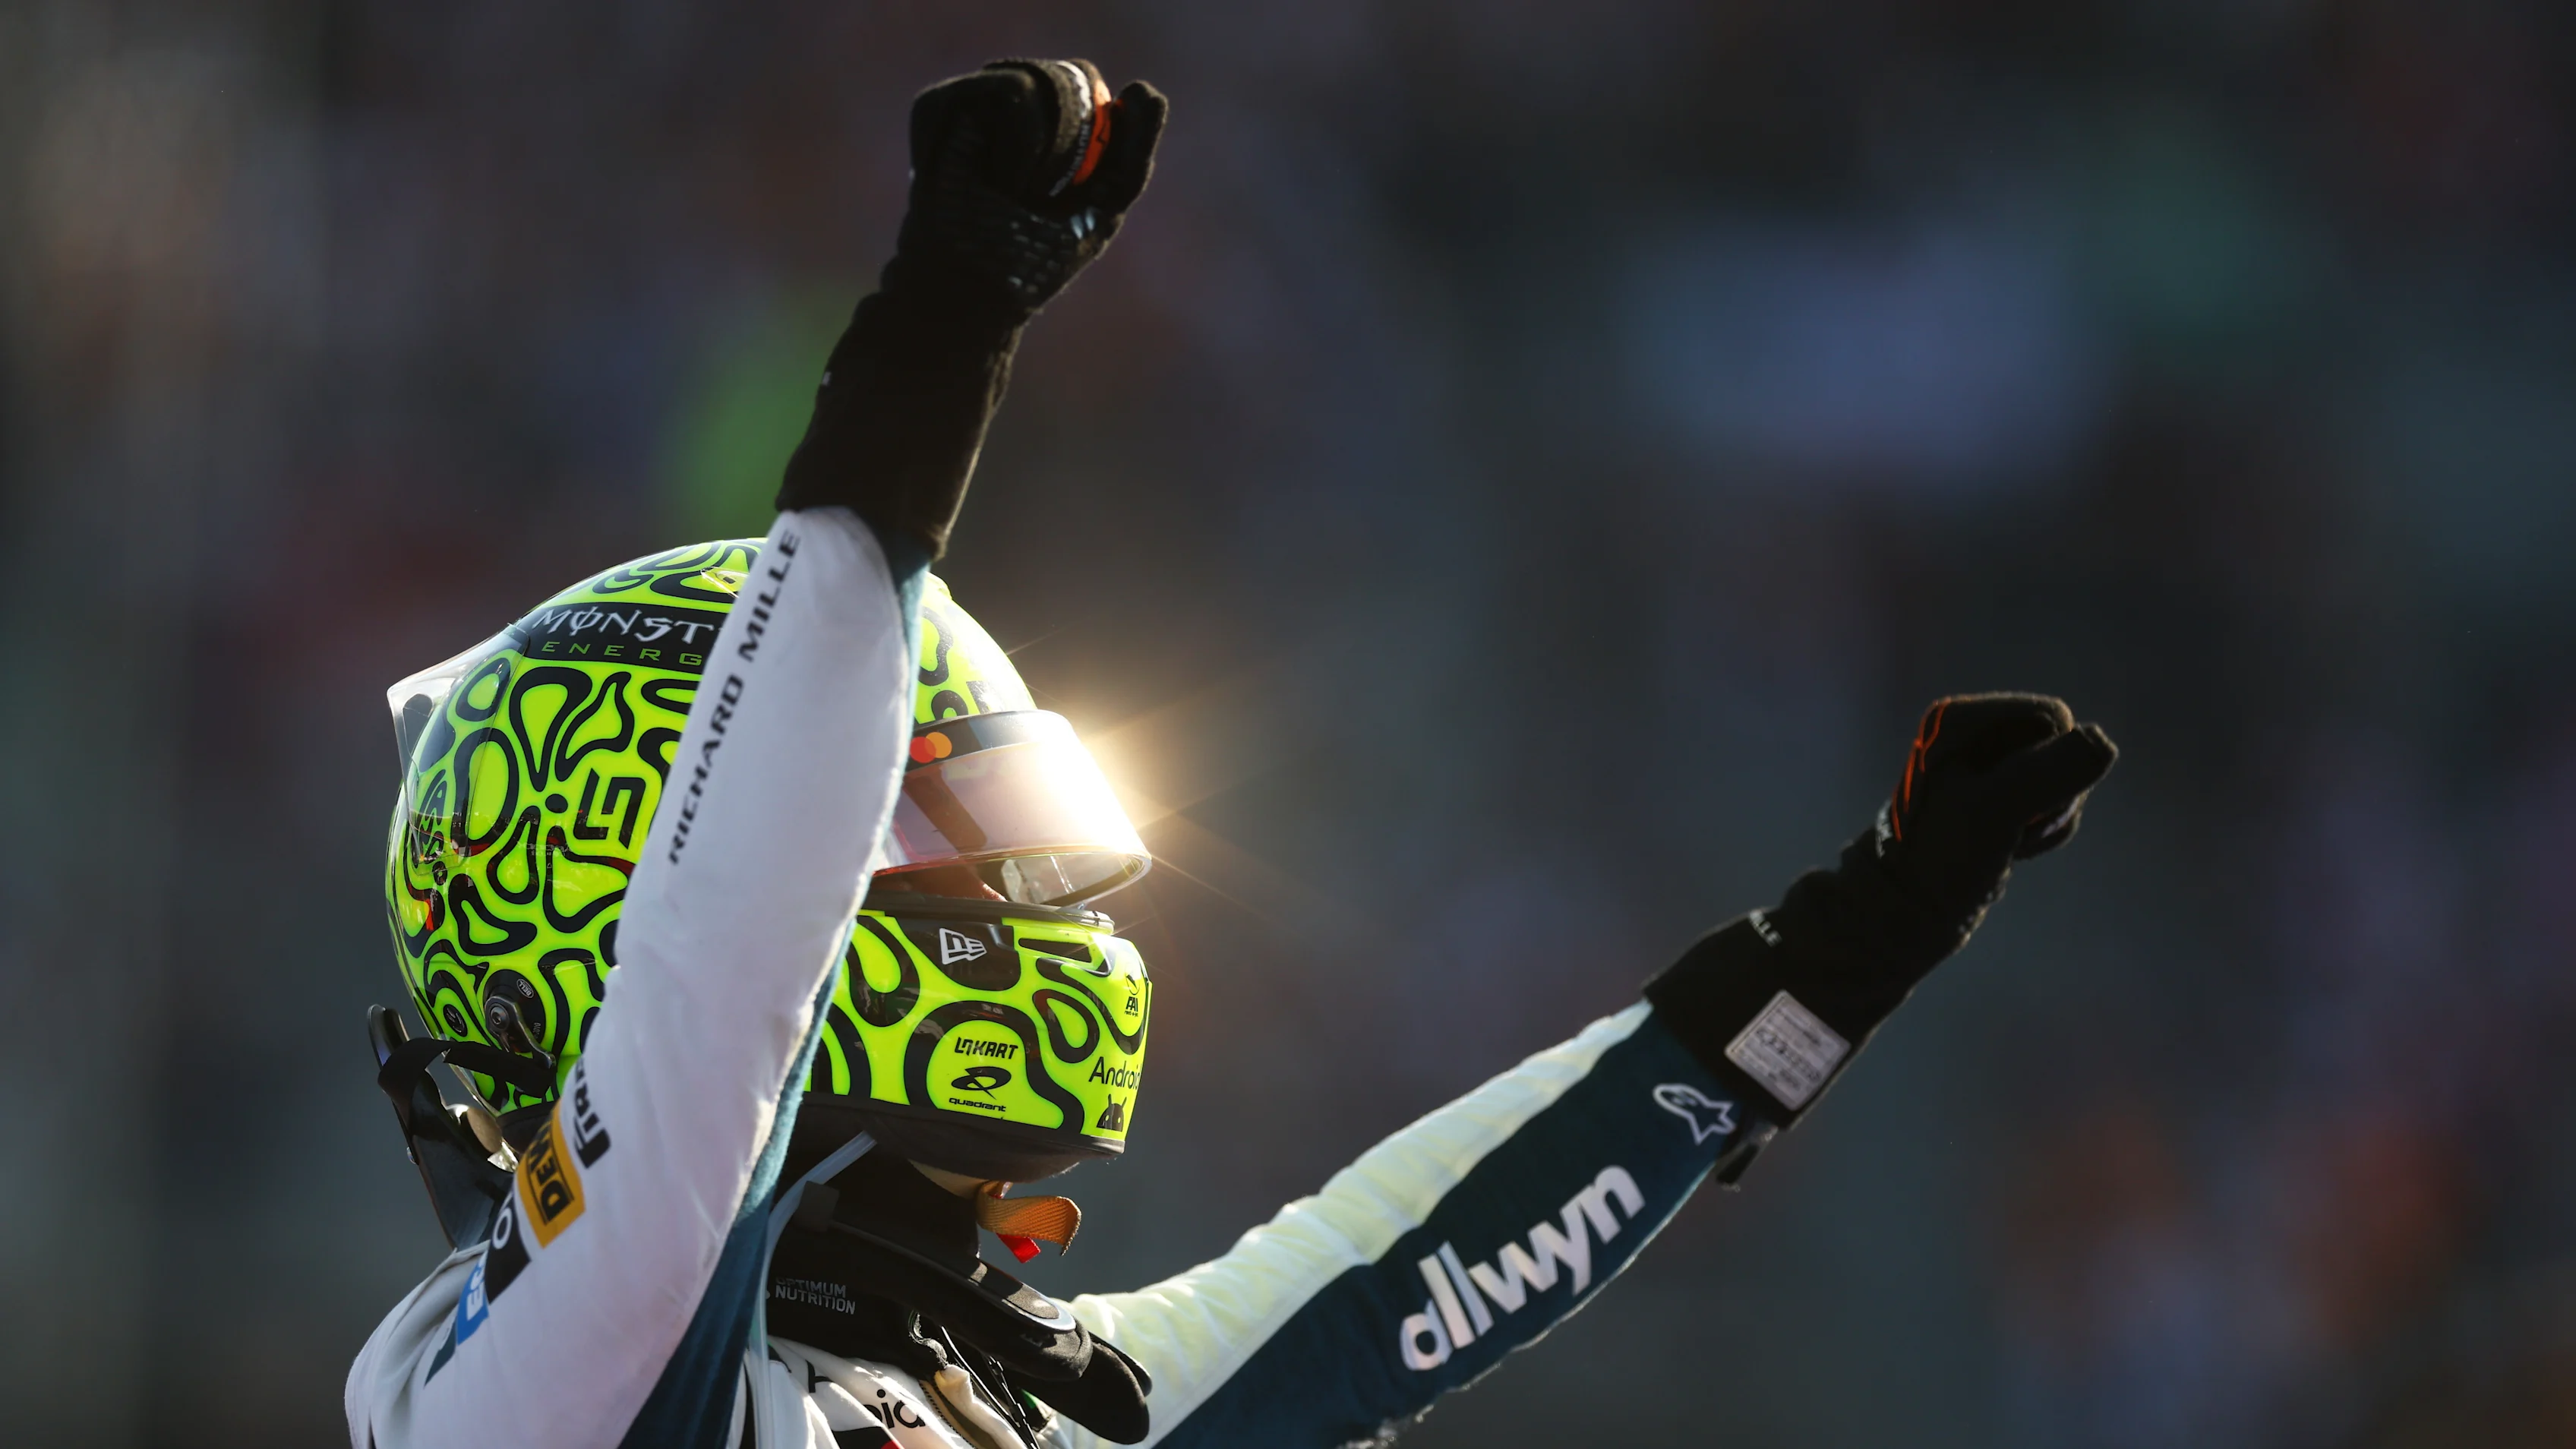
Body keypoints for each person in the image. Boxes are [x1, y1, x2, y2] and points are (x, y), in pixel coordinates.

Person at [348, 58, 2118, 1449]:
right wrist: (947, 322)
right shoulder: (524, 1396)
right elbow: (723, 959)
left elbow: (1388, 1280)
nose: (1041, 907)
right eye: (947, 842)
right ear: (623, 874)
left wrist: (1840, 956)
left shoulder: (1009, 1400)